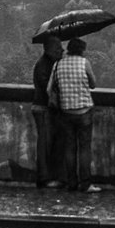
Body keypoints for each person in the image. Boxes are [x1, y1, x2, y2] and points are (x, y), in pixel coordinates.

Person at [48, 37, 99, 193]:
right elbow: (93, 84)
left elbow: (50, 88)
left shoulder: (58, 64)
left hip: (66, 112)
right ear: (81, 50)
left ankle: (72, 183)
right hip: (84, 111)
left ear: (69, 49)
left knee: (69, 148)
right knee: (84, 149)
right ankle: (86, 184)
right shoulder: (85, 63)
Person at [31, 36, 65, 189]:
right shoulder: (44, 65)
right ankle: (43, 178)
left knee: (47, 144)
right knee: (44, 145)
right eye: (58, 48)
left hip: (43, 108)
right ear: (50, 50)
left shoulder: (48, 63)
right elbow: (47, 89)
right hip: (43, 108)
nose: (62, 50)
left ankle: (47, 176)